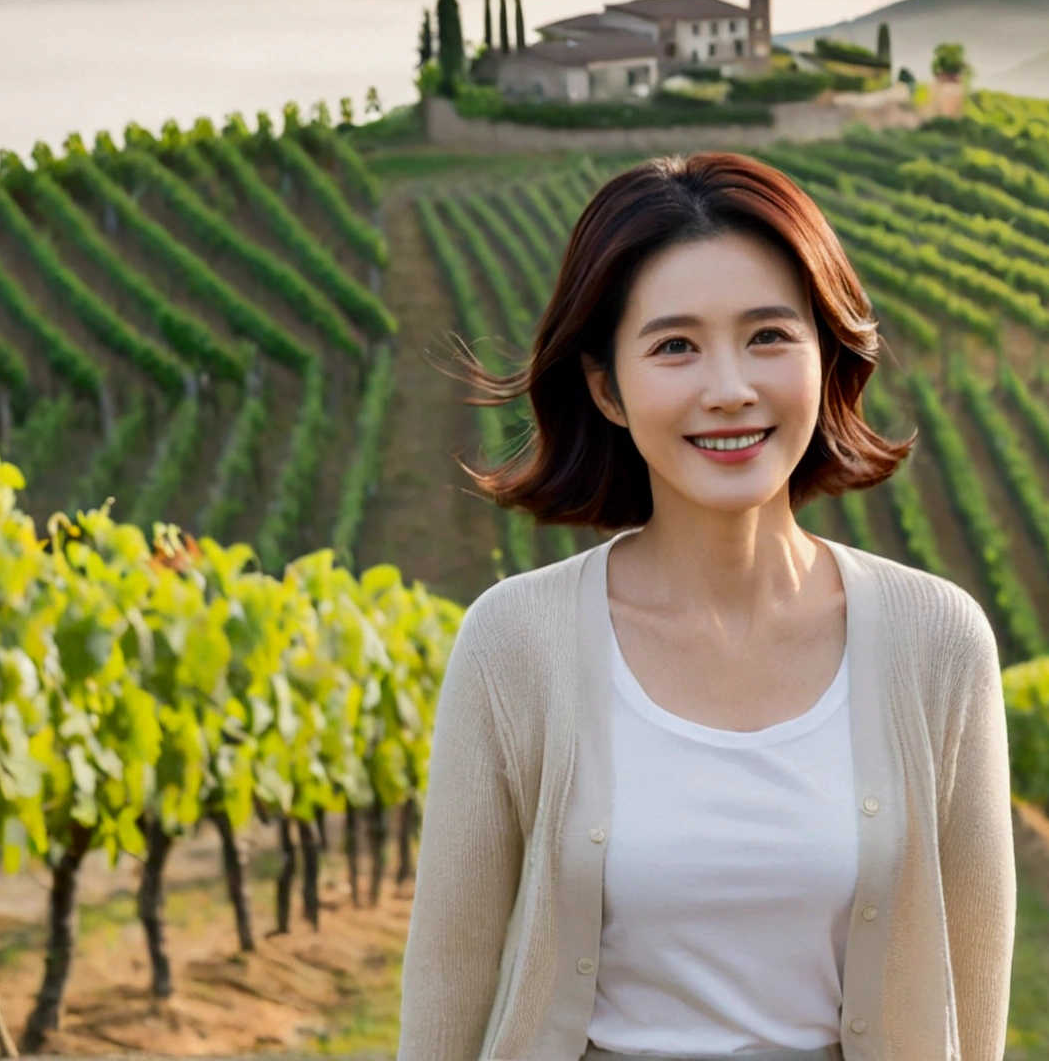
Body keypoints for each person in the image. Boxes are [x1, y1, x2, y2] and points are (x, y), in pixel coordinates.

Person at [397, 152, 1014, 1061]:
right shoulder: (515, 645)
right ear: (606, 387)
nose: (729, 386)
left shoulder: (939, 644)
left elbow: (971, 1002)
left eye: (769, 335)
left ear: (826, 353)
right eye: (675, 346)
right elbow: (447, 996)